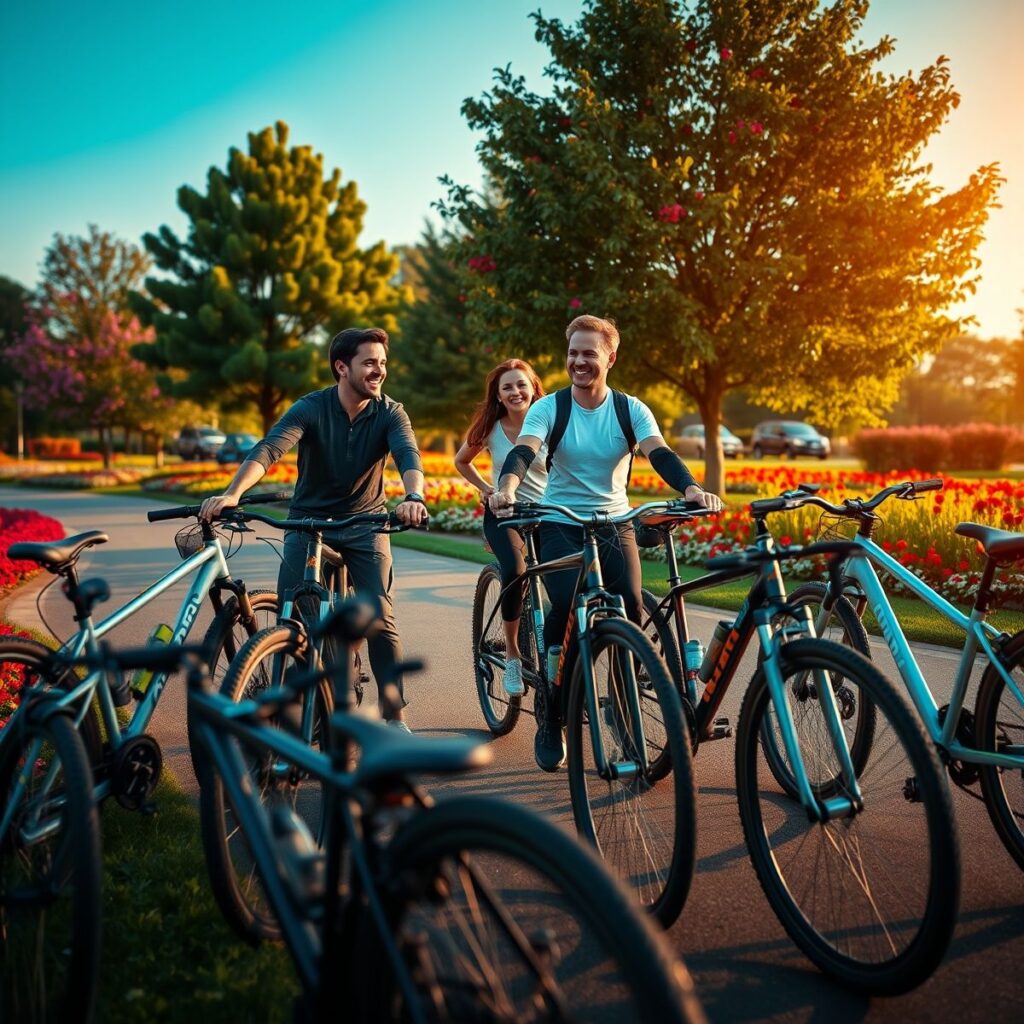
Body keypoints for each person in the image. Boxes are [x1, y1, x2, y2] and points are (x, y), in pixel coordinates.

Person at [489, 314, 723, 770]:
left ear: (610, 358)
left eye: (588, 354)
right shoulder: (549, 408)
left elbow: (659, 452)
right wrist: (510, 486)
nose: (579, 362)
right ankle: (551, 712)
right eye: (573, 353)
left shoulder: (629, 409)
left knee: (631, 607)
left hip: (614, 521)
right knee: (563, 605)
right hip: (559, 520)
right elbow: (524, 450)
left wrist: (690, 489)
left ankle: (621, 704)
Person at [199, 326, 428, 729]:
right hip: (308, 522)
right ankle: (290, 713)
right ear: (342, 367)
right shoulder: (310, 407)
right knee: (294, 619)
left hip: (366, 523)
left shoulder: (391, 411)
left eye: (383, 363)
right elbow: (269, 449)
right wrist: (233, 493)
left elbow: (408, 454)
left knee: (380, 619)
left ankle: (394, 718)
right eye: (370, 363)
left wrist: (413, 497)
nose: (379, 371)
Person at [455, 359, 549, 698]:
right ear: (497, 394)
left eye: (521, 384)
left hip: (547, 512)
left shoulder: (550, 421)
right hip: (505, 514)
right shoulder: (491, 426)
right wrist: (487, 489)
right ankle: (511, 653)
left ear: (533, 388)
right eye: (507, 387)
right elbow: (461, 460)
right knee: (515, 569)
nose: (515, 392)